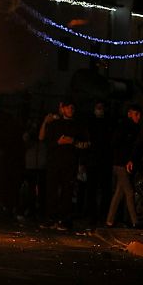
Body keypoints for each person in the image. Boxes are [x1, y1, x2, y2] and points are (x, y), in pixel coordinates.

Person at [40, 98, 89, 230]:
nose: (70, 110)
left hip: (70, 163)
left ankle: (64, 219)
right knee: (52, 190)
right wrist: (58, 143)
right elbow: (46, 142)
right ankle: (51, 217)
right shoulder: (55, 124)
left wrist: (73, 142)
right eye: (68, 107)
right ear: (63, 109)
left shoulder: (78, 125)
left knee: (67, 192)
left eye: (72, 108)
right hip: (54, 162)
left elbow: (86, 144)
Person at [105, 104, 143, 228]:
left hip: (123, 163)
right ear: (129, 114)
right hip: (121, 164)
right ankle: (135, 221)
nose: (138, 117)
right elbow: (118, 144)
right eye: (136, 114)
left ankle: (109, 220)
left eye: (139, 115)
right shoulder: (125, 127)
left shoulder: (134, 128)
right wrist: (127, 159)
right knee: (129, 191)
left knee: (119, 193)